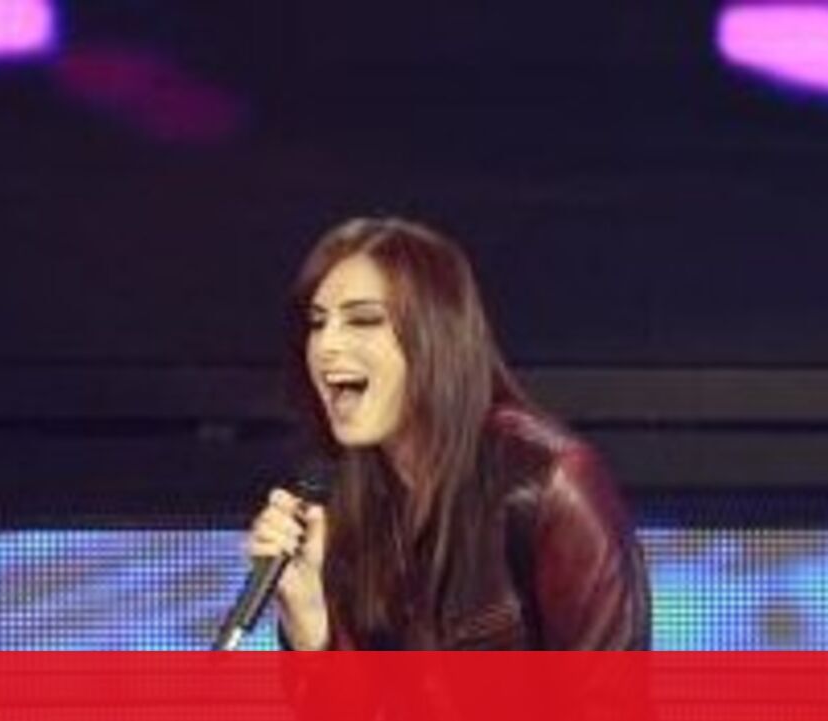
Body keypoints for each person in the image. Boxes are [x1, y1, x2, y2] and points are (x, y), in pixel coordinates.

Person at [246, 216, 650, 650]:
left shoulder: (552, 484)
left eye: (363, 320)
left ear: (435, 334)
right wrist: (310, 625)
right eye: (316, 323)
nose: (326, 346)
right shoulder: (342, 501)